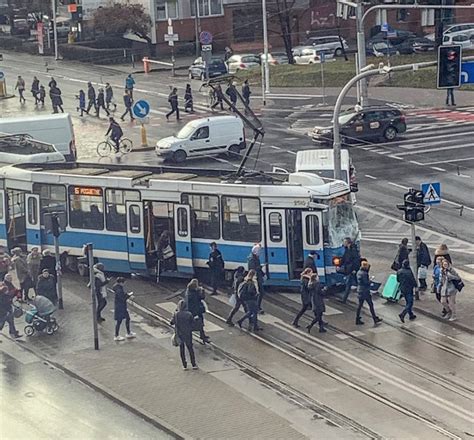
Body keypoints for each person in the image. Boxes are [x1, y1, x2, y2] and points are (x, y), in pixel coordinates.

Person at [171, 299, 197, 370]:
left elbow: (171, 322)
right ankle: (193, 364)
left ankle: (184, 365)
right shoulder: (189, 314)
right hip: (188, 333)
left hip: (179, 334)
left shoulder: (176, 314)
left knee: (182, 349)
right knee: (190, 349)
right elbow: (193, 323)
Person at [355, 260, 382, 326]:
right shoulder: (364, 274)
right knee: (370, 305)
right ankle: (375, 318)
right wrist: (370, 280)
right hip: (365, 291)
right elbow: (366, 283)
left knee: (360, 305)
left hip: (360, 290)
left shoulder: (359, 272)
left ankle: (357, 318)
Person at [184, 278, 209, 342]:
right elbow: (201, 298)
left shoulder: (188, 291)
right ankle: (202, 336)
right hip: (196, 310)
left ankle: (202, 335)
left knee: (197, 323)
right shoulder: (194, 293)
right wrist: (202, 291)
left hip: (191, 310)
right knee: (199, 323)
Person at [113, 277, 136, 341]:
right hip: (120, 307)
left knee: (127, 318)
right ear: (121, 282)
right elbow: (122, 299)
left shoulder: (118, 288)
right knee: (119, 321)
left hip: (121, 307)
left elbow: (122, 296)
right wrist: (128, 296)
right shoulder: (119, 290)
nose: (124, 284)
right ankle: (116, 335)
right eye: (124, 282)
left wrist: (127, 295)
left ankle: (128, 333)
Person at [340, 237, 360, 303]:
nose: (343, 243)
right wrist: (339, 265)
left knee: (348, 284)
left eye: (344, 242)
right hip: (348, 269)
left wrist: (355, 269)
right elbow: (344, 258)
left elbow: (356, 260)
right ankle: (362, 293)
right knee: (355, 282)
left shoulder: (353, 250)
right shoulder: (347, 249)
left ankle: (344, 300)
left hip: (351, 269)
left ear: (348, 243)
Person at [247, 243, 265, 313]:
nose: (259, 253)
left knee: (261, 293)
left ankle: (257, 306)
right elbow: (252, 269)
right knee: (258, 293)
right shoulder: (252, 259)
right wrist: (260, 267)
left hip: (258, 277)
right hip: (255, 278)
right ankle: (256, 307)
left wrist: (263, 274)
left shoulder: (255, 258)